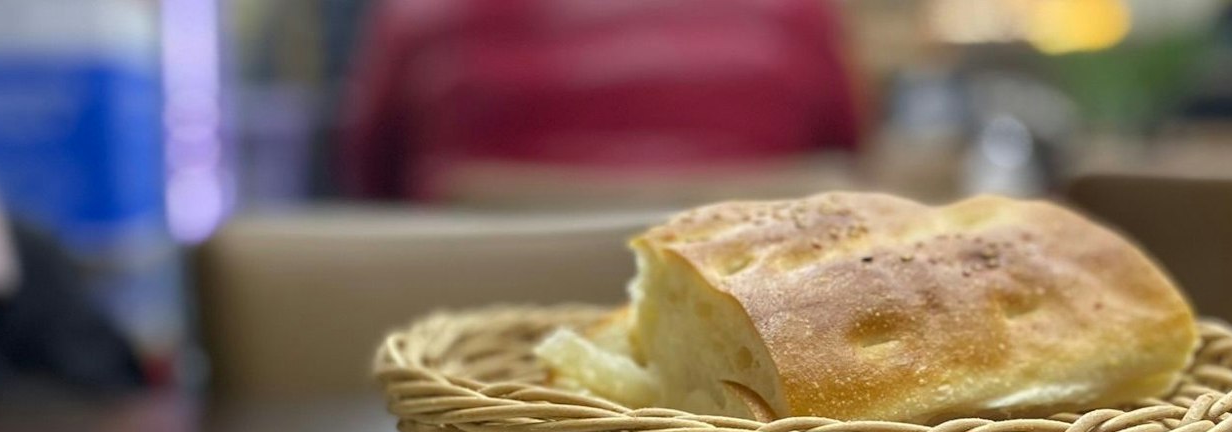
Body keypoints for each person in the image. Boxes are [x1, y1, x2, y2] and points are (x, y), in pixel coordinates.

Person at [338, 0, 864, 201]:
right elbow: (851, 155)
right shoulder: (798, 15)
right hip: (752, 391)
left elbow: (374, 184)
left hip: (469, 379)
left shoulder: (421, 15)